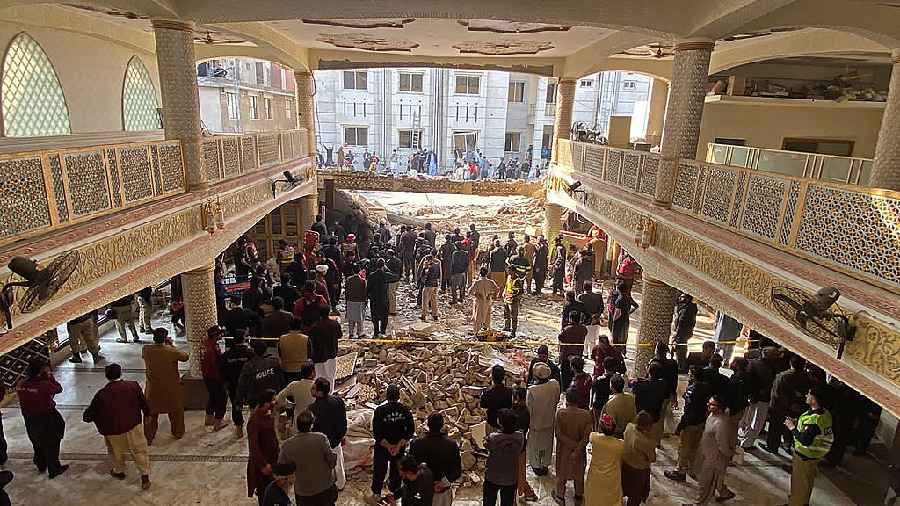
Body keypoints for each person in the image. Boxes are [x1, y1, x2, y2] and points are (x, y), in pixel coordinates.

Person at [17, 359, 68, 478]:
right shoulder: (44, 385)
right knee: (52, 442)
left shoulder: (21, 384)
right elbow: (58, 388)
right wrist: (49, 377)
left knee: (36, 440)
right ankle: (54, 468)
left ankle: (40, 463)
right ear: (41, 373)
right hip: (46, 416)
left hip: (29, 416)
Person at [784, 386, 833, 506]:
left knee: (799, 485)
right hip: (814, 456)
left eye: (809, 394)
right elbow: (812, 431)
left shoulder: (815, 420)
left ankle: (795, 504)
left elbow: (805, 440)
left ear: (814, 399)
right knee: (806, 484)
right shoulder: (825, 413)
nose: (806, 395)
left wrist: (792, 427)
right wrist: (798, 424)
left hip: (805, 456)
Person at [279, 410, 338, 505]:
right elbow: (331, 461)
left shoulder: (287, 445)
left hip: (304, 491)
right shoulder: (321, 438)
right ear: (311, 425)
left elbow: (282, 469)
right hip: (325, 487)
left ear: (297, 425)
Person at [664, 366, 711, 482]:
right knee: (694, 446)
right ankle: (691, 469)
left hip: (690, 423)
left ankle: (680, 471)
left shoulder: (692, 390)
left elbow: (689, 411)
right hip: (700, 422)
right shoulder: (706, 387)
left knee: (684, 448)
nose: (688, 375)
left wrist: (680, 426)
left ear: (694, 376)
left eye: (690, 373)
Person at [142, 328, 189, 443]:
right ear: (165, 338)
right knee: (176, 411)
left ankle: (149, 436)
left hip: (153, 388)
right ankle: (178, 433)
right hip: (171, 387)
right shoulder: (171, 351)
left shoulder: (146, 350)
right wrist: (171, 345)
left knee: (151, 414)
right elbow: (185, 357)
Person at [689, 395, 737, 505]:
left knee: (706, 484)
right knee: (711, 482)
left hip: (713, 459)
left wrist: (730, 455)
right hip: (705, 453)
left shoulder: (721, 423)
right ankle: (724, 493)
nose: (708, 405)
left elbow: (723, 445)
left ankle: (699, 504)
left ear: (720, 408)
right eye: (709, 403)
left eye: (712, 404)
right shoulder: (712, 415)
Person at [372, 384, 416, 502]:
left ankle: (376, 493)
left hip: (382, 447)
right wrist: (397, 446)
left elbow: (376, 432)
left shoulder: (380, 410)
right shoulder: (405, 410)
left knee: (379, 470)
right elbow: (411, 430)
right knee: (396, 470)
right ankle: (393, 494)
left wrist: (388, 446)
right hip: (399, 446)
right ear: (398, 396)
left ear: (387, 396)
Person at [409, 413, 462, 506]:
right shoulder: (451, 445)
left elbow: (410, 469)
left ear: (428, 425)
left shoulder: (416, 444)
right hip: (443, 493)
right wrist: (443, 483)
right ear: (442, 425)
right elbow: (457, 471)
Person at [762, 354, 810, 455]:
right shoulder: (807, 378)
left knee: (775, 428)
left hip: (780, 407)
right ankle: (787, 445)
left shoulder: (783, 376)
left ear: (791, 363)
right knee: (791, 428)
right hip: (797, 408)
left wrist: (771, 407)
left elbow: (776, 394)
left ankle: (772, 447)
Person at [553, 389, 593, 504]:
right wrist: (577, 447)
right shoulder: (586, 415)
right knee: (579, 473)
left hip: (564, 449)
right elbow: (586, 437)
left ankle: (560, 496)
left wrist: (571, 445)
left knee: (562, 473)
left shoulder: (560, 413)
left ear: (567, 399)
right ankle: (579, 495)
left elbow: (558, 434)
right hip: (579, 451)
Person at [310, 377, 348, 491]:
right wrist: (341, 436)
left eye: (314, 388)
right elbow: (343, 421)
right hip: (336, 440)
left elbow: (313, 429)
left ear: (319, 392)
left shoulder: (313, 409)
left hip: (322, 444)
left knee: (324, 466)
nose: (311, 389)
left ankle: (326, 486)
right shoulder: (338, 401)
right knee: (338, 464)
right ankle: (340, 484)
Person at [737, 346, 778, 450]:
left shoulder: (753, 364)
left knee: (747, 419)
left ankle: (741, 439)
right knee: (756, 422)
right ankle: (746, 443)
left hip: (752, 397)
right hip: (761, 398)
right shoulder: (772, 367)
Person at [483, 409, 524, 506]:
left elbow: (485, 445)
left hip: (492, 476)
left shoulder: (493, 438)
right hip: (511, 477)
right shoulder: (521, 437)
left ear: (500, 423)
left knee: (489, 502)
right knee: (507, 502)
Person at [526, 363, 560, 475]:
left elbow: (529, 409)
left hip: (536, 424)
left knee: (534, 447)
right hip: (549, 422)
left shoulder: (532, 391)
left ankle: (536, 466)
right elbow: (557, 400)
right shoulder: (555, 385)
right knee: (547, 445)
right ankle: (545, 465)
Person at [584, 413, 625, 506]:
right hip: (612, 477)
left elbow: (590, 434)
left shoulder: (594, 438)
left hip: (595, 475)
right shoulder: (620, 444)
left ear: (601, 427)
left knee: (594, 497)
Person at [248, 389, 280, 505]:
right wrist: (263, 465)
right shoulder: (255, 420)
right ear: (266, 403)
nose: (275, 402)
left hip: (272, 460)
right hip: (263, 464)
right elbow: (253, 446)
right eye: (273, 400)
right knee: (264, 494)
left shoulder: (267, 414)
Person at [221, 332, 255, 438]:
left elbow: (222, 370)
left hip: (233, 384)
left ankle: (239, 428)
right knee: (253, 405)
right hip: (249, 384)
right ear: (244, 339)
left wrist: (226, 382)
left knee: (237, 406)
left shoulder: (227, 355)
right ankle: (254, 426)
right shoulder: (250, 353)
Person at [622, 412, 657, 506]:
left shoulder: (629, 427)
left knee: (623, 488)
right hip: (638, 471)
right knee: (635, 496)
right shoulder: (643, 441)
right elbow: (653, 458)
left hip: (624, 465)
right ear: (646, 427)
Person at [239, 339, 285, 410]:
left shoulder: (249, 365)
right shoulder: (275, 361)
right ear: (266, 349)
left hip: (256, 401)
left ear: (253, 351)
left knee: (257, 419)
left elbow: (242, 384)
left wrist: (239, 401)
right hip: (273, 398)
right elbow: (281, 380)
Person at [510, 388, 538, 502]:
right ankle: (526, 491)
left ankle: (522, 493)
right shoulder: (526, 411)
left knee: (515, 472)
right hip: (521, 445)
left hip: (512, 446)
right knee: (520, 471)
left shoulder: (513, 411)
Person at [631, 362, 668, 445]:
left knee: (639, 440)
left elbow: (632, 385)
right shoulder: (663, 384)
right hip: (654, 416)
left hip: (641, 416)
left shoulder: (639, 384)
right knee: (650, 440)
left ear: (648, 371)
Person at [648, 342, 679, 435]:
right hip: (667, 393)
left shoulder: (653, 363)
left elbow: (649, 379)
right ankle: (662, 434)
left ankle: (656, 436)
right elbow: (674, 381)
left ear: (657, 351)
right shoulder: (673, 363)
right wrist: (674, 394)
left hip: (655, 394)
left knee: (656, 416)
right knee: (662, 414)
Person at [276, 361, 317, 429]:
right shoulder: (317, 386)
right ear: (313, 373)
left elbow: (279, 397)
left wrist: (289, 405)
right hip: (313, 423)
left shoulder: (294, 385)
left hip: (297, 422)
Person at [201, 326, 228, 432]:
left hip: (206, 375)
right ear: (215, 336)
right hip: (214, 376)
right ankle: (218, 422)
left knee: (212, 396)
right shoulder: (212, 348)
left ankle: (209, 418)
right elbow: (214, 364)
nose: (221, 335)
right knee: (222, 398)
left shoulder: (204, 344)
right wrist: (221, 377)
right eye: (219, 334)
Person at [309, 305, 341, 391]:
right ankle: (330, 393)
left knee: (319, 376)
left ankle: (319, 394)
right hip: (331, 354)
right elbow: (340, 335)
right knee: (331, 377)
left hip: (318, 355)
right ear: (329, 312)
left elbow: (311, 342)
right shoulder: (335, 324)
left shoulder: (314, 327)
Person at [367, 258, 398, 337]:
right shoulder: (386, 275)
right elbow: (396, 277)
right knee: (384, 317)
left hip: (374, 299)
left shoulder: (371, 275)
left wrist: (368, 297)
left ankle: (376, 332)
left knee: (375, 317)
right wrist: (387, 270)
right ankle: (383, 332)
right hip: (383, 299)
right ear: (383, 265)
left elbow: (368, 289)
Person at [558, 311, 588, 390]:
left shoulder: (566, 330)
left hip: (567, 356)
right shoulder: (583, 329)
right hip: (578, 355)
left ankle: (565, 391)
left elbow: (560, 339)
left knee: (565, 377)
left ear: (570, 319)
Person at [602, 374, 636, 439]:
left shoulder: (610, 403)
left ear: (611, 387)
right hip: (630, 434)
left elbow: (611, 426)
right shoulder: (631, 398)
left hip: (617, 437)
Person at [278, 318, 311, 383]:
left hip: (286, 369)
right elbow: (310, 354)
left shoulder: (282, 338)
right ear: (301, 326)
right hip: (302, 369)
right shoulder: (306, 338)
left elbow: (280, 354)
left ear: (289, 326)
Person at [480, 365, 513, 430]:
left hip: (492, 423)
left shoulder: (487, 393)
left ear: (492, 377)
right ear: (503, 377)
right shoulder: (510, 392)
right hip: (506, 424)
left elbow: (483, 405)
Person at [608, 281, 639, 351]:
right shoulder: (629, 297)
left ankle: (615, 351)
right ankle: (624, 351)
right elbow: (636, 306)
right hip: (626, 320)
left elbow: (617, 312)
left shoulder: (619, 300)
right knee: (624, 336)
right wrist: (629, 312)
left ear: (619, 290)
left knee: (616, 337)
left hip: (619, 321)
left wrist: (613, 320)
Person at [672, 293, 699, 371]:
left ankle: (681, 367)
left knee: (680, 350)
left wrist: (676, 337)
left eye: (682, 298)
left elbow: (681, 324)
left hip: (681, 334)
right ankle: (681, 365)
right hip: (685, 333)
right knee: (681, 349)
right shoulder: (690, 308)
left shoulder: (686, 310)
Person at [577, 281, 605, 355]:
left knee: (585, 339)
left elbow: (579, 309)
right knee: (593, 339)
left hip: (584, 321)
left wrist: (589, 315)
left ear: (584, 288)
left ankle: (585, 353)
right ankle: (591, 354)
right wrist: (595, 315)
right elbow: (602, 308)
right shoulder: (598, 296)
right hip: (595, 321)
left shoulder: (581, 297)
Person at [469, 266, 499, 333]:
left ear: (480, 273)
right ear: (487, 273)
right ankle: (486, 332)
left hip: (479, 302)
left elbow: (469, 291)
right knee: (487, 317)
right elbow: (497, 289)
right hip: (488, 301)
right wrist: (491, 295)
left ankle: (476, 332)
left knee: (478, 318)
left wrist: (476, 294)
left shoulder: (477, 282)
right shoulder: (491, 282)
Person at [502, 266, 525, 337]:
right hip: (507, 298)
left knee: (514, 317)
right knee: (506, 314)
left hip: (513, 301)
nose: (508, 272)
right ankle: (507, 327)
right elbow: (506, 286)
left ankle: (513, 332)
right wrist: (504, 293)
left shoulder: (517, 280)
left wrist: (514, 297)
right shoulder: (509, 277)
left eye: (510, 271)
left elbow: (520, 292)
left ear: (513, 271)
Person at [418, 254, 441, 322]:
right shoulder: (437, 265)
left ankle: (423, 315)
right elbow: (439, 275)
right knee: (434, 300)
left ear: (429, 260)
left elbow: (424, 276)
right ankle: (435, 315)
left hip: (428, 285)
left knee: (425, 300)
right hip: (435, 285)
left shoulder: (429, 267)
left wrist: (424, 267)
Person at [385, 250, 403, 316]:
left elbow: (386, 270)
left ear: (389, 255)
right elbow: (401, 270)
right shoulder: (399, 260)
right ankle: (392, 309)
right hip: (397, 279)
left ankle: (392, 310)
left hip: (391, 280)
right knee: (393, 295)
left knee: (391, 296)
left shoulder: (389, 262)